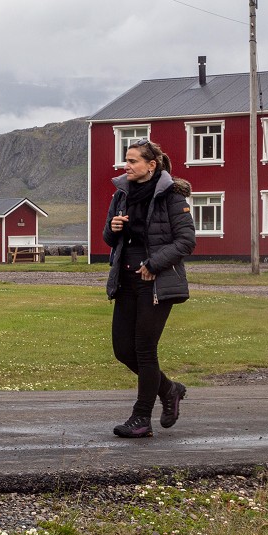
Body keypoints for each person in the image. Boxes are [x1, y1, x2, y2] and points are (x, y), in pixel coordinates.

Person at [102, 138, 195, 438]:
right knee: (123, 350)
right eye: (125, 160)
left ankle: (141, 418)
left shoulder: (172, 195)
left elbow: (186, 241)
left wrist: (154, 264)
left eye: (132, 161)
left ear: (150, 165)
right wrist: (113, 228)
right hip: (126, 281)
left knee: (144, 350)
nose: (125, 166)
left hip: (156, 283)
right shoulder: (121, 194)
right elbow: (108, 238)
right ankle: (169, 389)